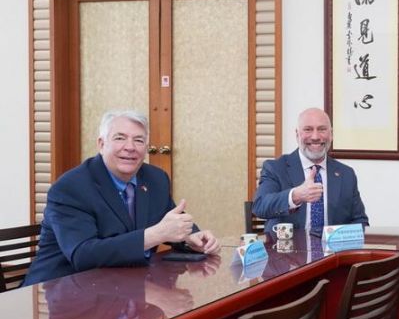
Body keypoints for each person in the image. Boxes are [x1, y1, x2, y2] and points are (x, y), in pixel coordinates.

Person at [23, 111, 220, 286]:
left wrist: (191, 237)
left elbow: (170, 221)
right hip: (60, 293)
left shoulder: (155, 178)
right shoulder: (71, 187)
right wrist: (155, 235)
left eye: (139, 140)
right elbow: (83, 255)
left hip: (124, 286)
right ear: (101, 144)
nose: (130, 147)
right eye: (120, 138)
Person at [252, 107, 368, 234]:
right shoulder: (276, 168)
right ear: (297, 134)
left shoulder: (346, 174)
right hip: (288, 246)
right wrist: (296, 195)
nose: (315, 137)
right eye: (308, 129)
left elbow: (360, 221)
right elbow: (260, 206)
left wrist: (341, 239)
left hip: (332, 246)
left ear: (331, 134)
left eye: (322, 129)